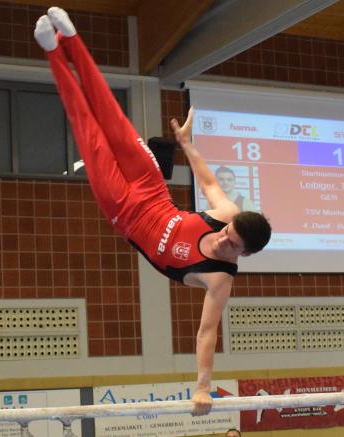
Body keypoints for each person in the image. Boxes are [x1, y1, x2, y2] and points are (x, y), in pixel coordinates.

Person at [34, 7, 272, 416]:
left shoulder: (219, 280)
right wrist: (185, 144)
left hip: (122, 211)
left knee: (86, 127)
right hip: (150, 186)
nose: (220, 238)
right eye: (226, 231)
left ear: (243, 256)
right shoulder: (226, 214)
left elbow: (207, 333)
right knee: (110, 116)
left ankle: (53, 52)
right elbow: (209, 183)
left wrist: (203, 388)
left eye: (229, 244)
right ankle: (73, 41)